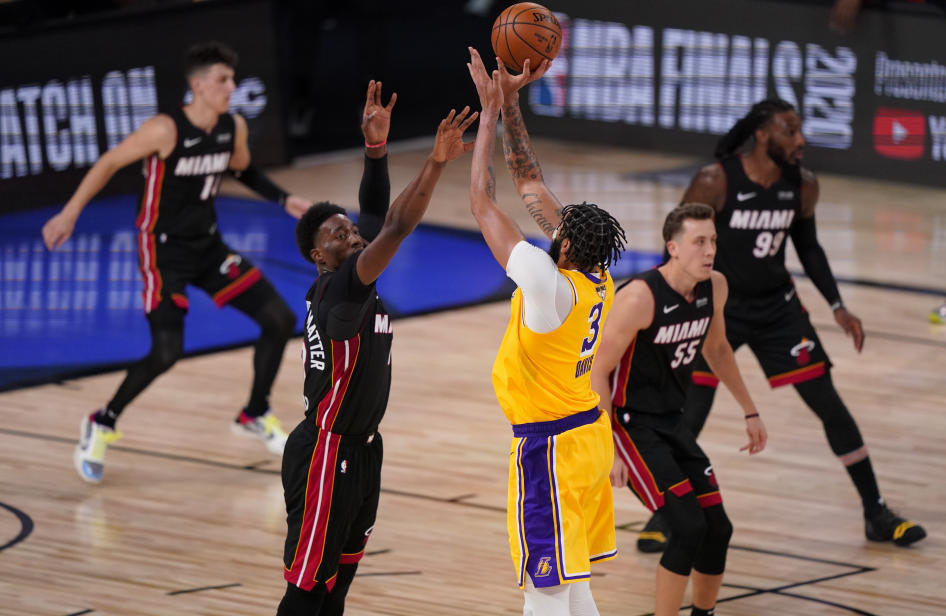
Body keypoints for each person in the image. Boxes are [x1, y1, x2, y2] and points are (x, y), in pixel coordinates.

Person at [634, 98, 925, 550]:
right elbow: (677, 243)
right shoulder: (716, 180)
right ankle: (665, 511)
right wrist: (665, 304)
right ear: (764, 136)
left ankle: (876, 511)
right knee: (689, 413)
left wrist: (837, 305)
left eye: (800, 131)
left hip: (777, 310)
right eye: (790, 131)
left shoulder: (802, 185)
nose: (801, 140)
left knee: (830, 405)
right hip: (719, 309)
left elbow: (809, 249)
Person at [41, 41, 312, 483]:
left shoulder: (232, 127)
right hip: (163, 250)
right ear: (198, 85)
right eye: (223, 80)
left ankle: (254, 413)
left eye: (232, 79)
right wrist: (70, 212)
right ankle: (102, 421)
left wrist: (284, 199)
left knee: (279, 319)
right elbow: (109, 161)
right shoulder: (165, 130)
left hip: (209, 246)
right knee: (167, 351)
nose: (232, 86)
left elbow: (243, 169)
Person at [277, 81, 476, 615]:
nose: (352, 236)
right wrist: (434, 164)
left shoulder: (349, 269)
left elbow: (373, 212)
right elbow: (397, 224)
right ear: (320, 258)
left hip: (363, 450)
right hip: (326, 452)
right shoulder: (340, 290)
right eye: (338, 236)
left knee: (337, 588)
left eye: (349, 230)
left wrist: (375, 150)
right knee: (306, 591)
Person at [467, 47, 627, 616]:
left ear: (563, 244)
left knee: (545, 594)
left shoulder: (543, 279)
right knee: (576, 589)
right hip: (589, 440)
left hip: (549, 447)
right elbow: (529, 180)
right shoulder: (600, 276)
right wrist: (512, 102)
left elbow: (483, 201)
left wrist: (487, 112)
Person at [592, 203, 766, 616]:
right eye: (699, 242)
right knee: (687, 527)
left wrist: (750, 410)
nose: (709, 251)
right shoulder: (639, 297)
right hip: (630, 426)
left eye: (713, 242)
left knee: (717, 529)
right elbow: (597, 371)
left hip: (673, 421)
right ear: (673, 247)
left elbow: (718, 349)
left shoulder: (715, 288)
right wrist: (606, 446)